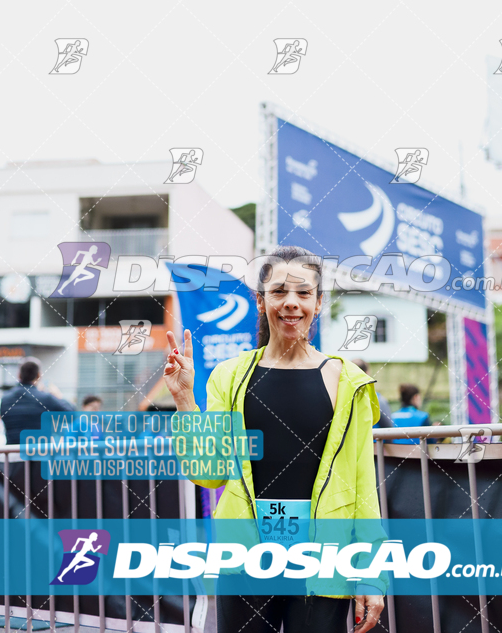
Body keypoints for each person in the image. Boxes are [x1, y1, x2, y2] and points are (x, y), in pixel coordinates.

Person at [165, 245, 385, 633]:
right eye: (279, 291)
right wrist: (185, 399)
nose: (291, 303)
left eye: (304, 293)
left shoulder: (347, 380)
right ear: (261, 299)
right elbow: (211, 474)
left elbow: (364, 485)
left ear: (319, 303)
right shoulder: (229, 376)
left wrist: (371, 572)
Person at [0, 358, 74, 445]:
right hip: (39, 454)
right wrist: (58, 396)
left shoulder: (5, 399)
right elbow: (72, 414)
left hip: (12, 454)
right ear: (39, 375)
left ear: (19, 375)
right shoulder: (45, 398)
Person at [351, 358, 393, 428]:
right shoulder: (378, 400)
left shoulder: (342, 398)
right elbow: (388, 428)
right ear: (367, 373)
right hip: (373, 438)